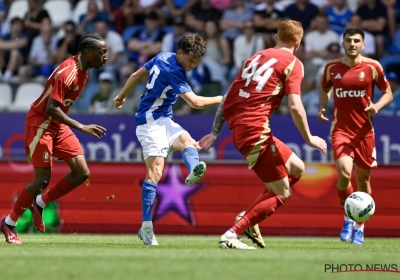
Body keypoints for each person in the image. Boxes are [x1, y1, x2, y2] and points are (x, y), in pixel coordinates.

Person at [197, 20, 327, 249]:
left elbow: (228, 97)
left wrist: (215, 132)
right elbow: (296, 106)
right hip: (254, 129)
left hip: (244, 127)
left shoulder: (255, 58)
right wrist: (310, 138)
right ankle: (232, 234)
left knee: (297, 168)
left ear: (276, 37)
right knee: (282, 191)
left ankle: (249, 219)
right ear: (298, 43)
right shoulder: (293, 63)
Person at [113, 33, 223, 246]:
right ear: (180, 53)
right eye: (190, 61)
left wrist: (121, 95)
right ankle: (146, 228)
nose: (192, 65)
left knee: (188, 142)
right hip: (148, 123)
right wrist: (222, 99)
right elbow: (196, 103)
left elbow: (136, 75)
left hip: (164, 118)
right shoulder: (174, 70)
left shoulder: (164, 55)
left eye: (197, 62)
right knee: (155, 173)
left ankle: (193, 169)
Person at [0, 34, 108, 244]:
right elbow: (51, 108)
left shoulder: (84, 72)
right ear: (88, 53)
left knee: (81, 172)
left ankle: (39, 203)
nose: (106, 57)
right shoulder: (67, 73)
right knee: (42, 179)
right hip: (40, 123)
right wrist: (81, 126)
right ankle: (9, 222)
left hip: (56, 125)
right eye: (102, 53)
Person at [318, 27, 393, 245]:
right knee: (343, 173)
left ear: (363, 44)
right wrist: (323, 106)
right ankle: (348, 217)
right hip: (340, 129)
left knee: (363, 180)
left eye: (356, 40)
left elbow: (387, 92)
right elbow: (324, 88)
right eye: (349, 40)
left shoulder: (373, 66)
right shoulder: (332, 67)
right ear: (343, 43)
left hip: (364, 131)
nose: (352, 44)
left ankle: (360, 226)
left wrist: (377, 106)